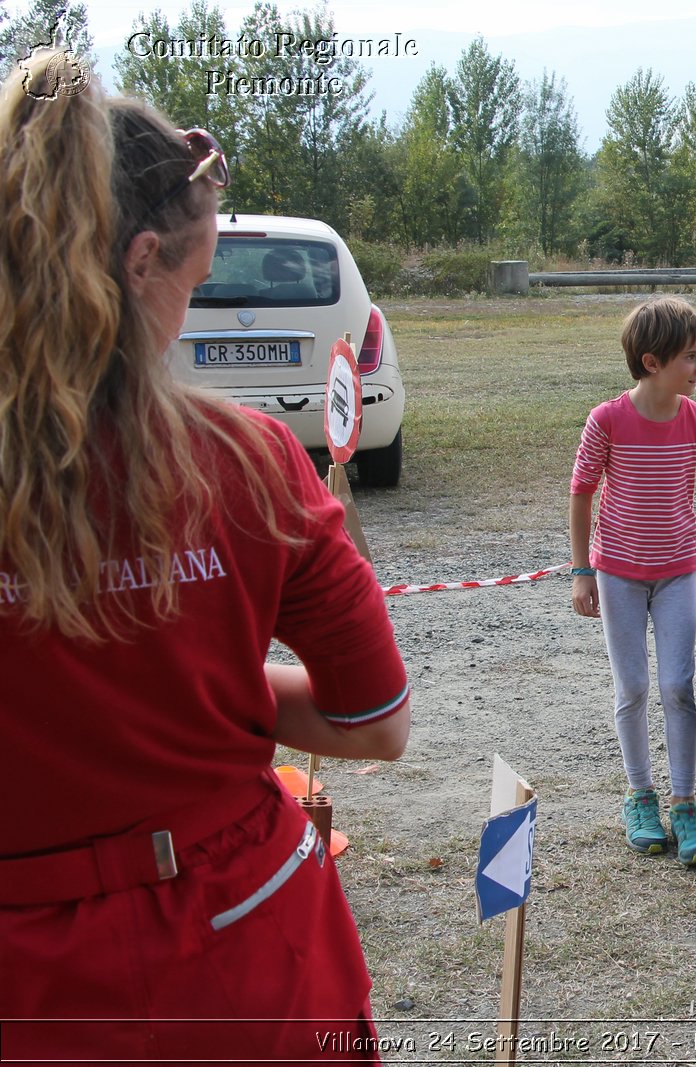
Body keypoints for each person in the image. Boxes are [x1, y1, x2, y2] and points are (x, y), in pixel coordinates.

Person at [0, 53, 411, 1062]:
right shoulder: (249, 459)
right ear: (145, 261)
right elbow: (372, 720)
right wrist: (219, 687)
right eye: (198, 275)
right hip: (241, 946)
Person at [569, 296, 696, 866]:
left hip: (678, 570)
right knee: (632, 688)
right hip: (618, 574)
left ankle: (685, 803)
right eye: (692, 358)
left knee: (678, 687)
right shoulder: (606, 419)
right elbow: (582, 493)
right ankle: (640, 796)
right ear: (653, 361)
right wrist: (583, 570)